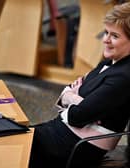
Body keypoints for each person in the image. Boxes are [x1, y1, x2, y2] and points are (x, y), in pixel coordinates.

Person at [29, 2, 130, 168]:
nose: (105, 40)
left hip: (76, 147)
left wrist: (73, 97)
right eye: (106, 32)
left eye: (115, 36)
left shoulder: (124, 77)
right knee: (9, 135)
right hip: (63, 132)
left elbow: (76, 117)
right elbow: (67, 93)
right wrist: (79, 99)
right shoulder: (111, 61)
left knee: (11, 145)